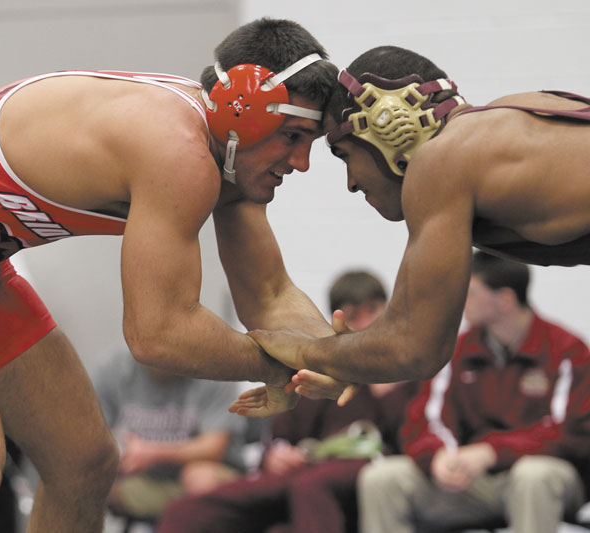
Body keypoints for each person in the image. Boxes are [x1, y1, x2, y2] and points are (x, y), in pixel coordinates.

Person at [0, 18, 349, 531]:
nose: (300, 163)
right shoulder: (178, 150)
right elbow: (160, 335)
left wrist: (331, 357)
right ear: (243, 113)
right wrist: (290, 364)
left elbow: (271, 293)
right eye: (294, 136)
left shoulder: (230, 156)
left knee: (85, 464)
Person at [244, 44, 590, 397]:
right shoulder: (513, 116)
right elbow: (399, 329)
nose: (350, 183)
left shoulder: (442, 162)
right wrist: (346, 360)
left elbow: (415, 349)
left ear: (388, 125)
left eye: (344, 155)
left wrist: (303, 350)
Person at [158, 271, 419, 533]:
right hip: (304, 474)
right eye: (352, 316)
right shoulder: (321, 371)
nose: (364, 323)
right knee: (189, 510)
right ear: (336, 324)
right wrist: (277, 454)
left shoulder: (408, 372)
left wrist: (385, 385)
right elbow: (281, 433)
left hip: (366, 470)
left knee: (309, 488)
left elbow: (413, 444)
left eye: (372, 311)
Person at [358, 252, 590, 533]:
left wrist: (492, 451)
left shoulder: (566, 350)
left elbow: (568, 433)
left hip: (547, 478)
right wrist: (439, 456)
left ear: (504, 299)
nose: (459, 302)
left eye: (469, 293)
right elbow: (425, 418)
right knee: (381, 478)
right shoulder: (458, 350)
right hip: (473, 479)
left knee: (534, 476)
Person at [93, 350, 245, 523]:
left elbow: (214, 448)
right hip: (148, 482)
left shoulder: (214, 369)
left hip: (209, 480)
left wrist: (153, 453)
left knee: (199, 477)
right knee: (86, 480)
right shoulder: (114, 369)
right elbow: (89, 437)